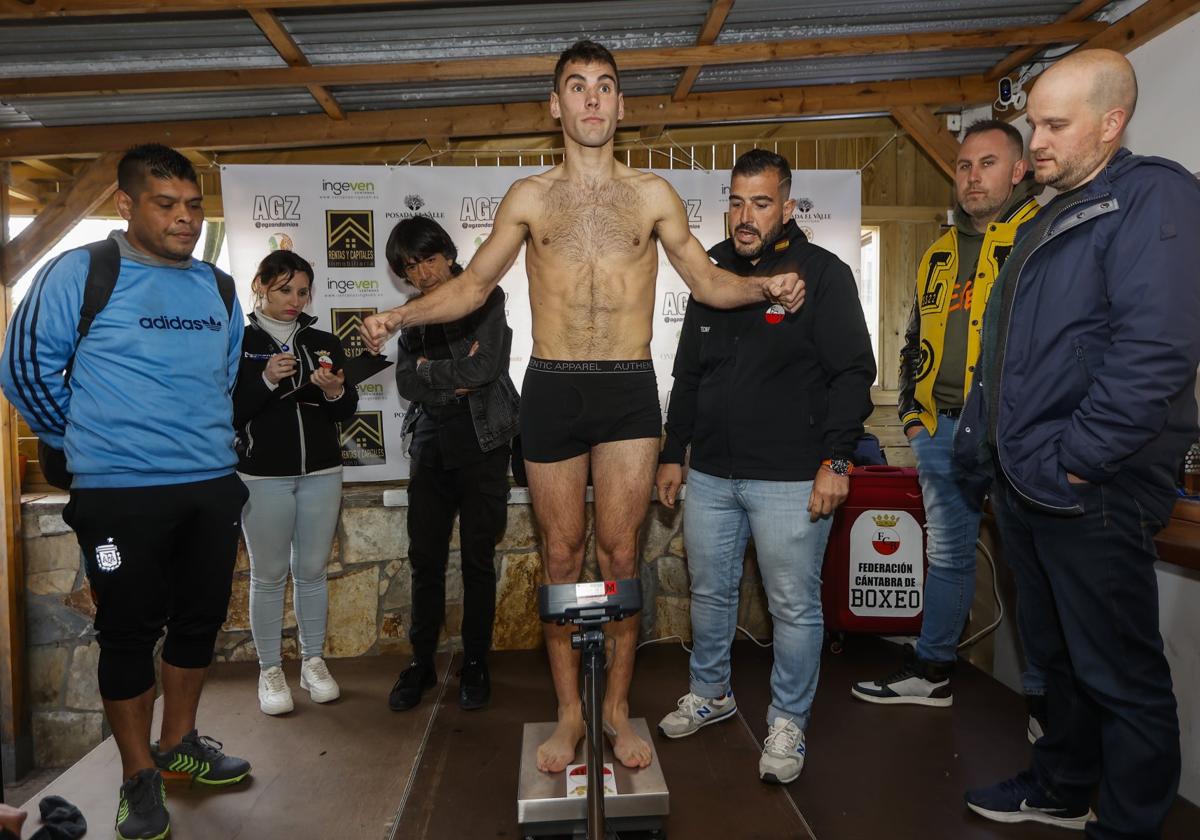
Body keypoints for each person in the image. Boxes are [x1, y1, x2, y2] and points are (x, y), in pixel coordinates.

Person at [360, 39, 804, 773]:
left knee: (620, 553)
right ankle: (569, 714)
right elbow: (471, 288)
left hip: (629, 384)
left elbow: (706, 281)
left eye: (605, 86)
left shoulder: (654, 195)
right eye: (577, 86)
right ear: (556, 104)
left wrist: (767, 285)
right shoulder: (529, 198)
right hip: (554, 385)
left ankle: (616, 710)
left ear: (622, 105)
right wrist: (395, 318)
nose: (592, 99)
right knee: (561, 555)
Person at [955, 49, 1200, 836]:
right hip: (1031, 482)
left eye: (1055, 124)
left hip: (1088, 483)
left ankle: (1128, 823)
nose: (1039, 140)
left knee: (1118, 674)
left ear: (1112, 121)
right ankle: (1061, 786)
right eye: (1035, 121)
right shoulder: (1055, 211)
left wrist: (1077, 461)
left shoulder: (1153, 196)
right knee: (1056, 661)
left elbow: (1155, 354)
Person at [0, 144, 250, 840]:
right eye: (166, 205)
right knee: (128, 633)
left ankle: (178, 748)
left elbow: (223, 378)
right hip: (120, 494)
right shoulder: (82, 273)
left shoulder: (217, 287)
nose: (184, 219)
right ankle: (139, 775)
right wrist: (91, 446)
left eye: (193, 206)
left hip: (208, 486)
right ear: (126, 204)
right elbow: (24, 371)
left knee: (199, 623)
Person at [654, 149, 876, 784]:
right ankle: (712, 692)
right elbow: (689, 372)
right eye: (735, 201)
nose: (744, 216)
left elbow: (853, 374)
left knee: (794, 606)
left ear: (787, 206)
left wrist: (837, 459)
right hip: (714, 475)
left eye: (760, 202)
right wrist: (675, 451)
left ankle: (788, 722)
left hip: (792, 478)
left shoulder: (821, 274)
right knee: (710, 593)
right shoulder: (712, 271)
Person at [852, 120, 1047, 739]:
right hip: (943, 431)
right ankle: (933, 670)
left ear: (1019, 170)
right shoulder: (939, 252)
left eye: (987, 164)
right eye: (964, 166)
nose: (972, 177)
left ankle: (1046, 702)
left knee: (1031, 565)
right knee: (948, 555)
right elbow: (914, 339)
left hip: (1015, 431)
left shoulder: (1040, 237)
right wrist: (913, 417)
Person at [383, 217, 519, 713]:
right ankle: (421, 662)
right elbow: (405, 383)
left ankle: (476, 662)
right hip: (430, 441)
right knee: (426, 560)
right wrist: (436, 376)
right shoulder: (410, 312)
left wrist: (428, 370)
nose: (422, 274)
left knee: (478, 560)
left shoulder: (484, 294)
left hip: (483, 439)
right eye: (410, 267)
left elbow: (486, 369)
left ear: (448, 253)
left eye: (429, 259)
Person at [233, 249, 358, 716]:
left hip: (323, 471)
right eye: (285, 289)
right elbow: (231, 410)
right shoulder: (239, 340)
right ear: (261, 286)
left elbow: (346, 410)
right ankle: (270, 670)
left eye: (302, 291)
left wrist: (335, 391)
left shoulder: (323, 340)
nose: (294, 299)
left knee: (311, 572)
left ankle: (313, 661)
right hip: (262, 475)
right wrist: (265, 379)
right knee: (267, 577)